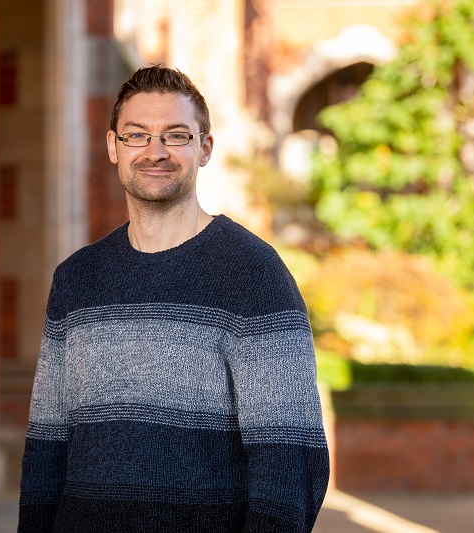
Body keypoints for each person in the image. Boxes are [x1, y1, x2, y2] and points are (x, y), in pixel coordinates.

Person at [18, 65, 329, 532]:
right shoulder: (77, 279)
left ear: (204, 148)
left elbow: (291, 460)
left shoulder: (254, 274)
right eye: (136, 135)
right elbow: (47, 446)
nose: (155, 152)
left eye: (176, 135)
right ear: (112, 148)